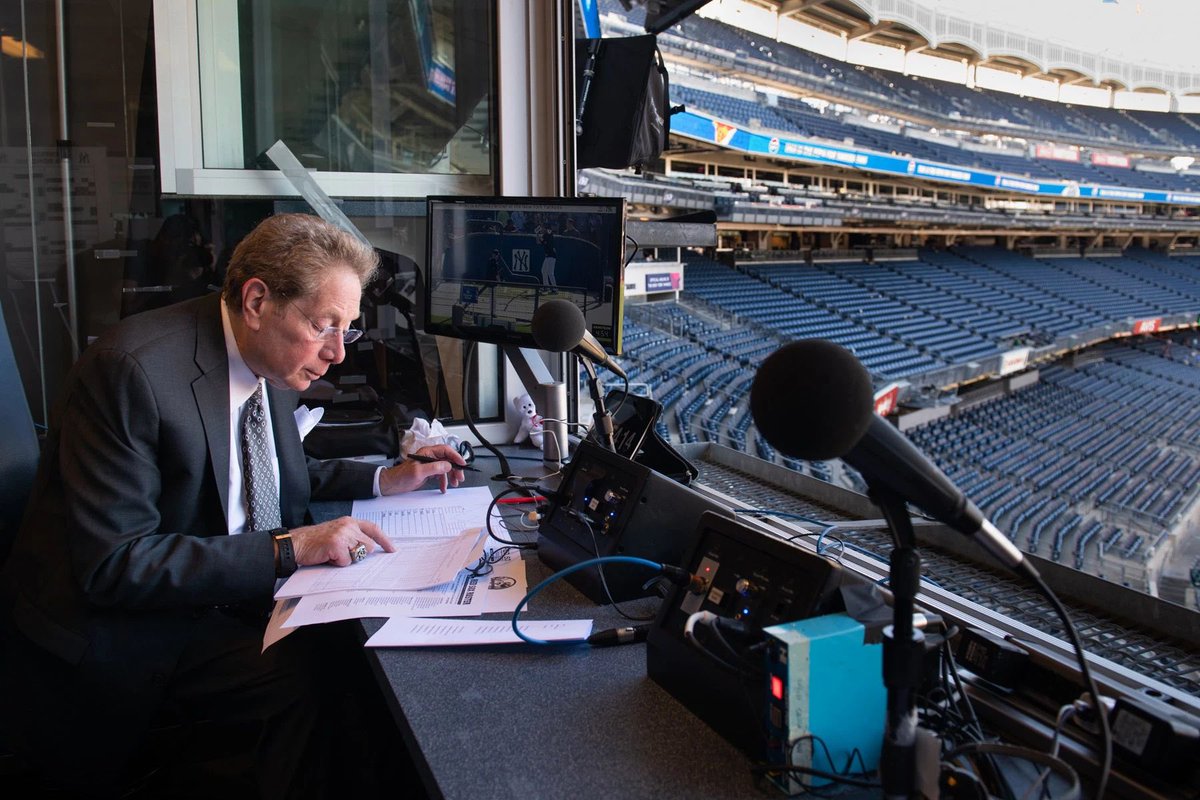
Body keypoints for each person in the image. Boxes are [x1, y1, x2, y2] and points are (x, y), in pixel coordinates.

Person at [0, 213, 467, 797]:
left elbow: (260, 473)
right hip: (126, 631)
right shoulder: (132, 372)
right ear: (256, 300)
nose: (337, 353)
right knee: (319, 679)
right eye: (325, 326)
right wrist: (287, 548)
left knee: (360, 654)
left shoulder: (264, 352)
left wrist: (385, 479)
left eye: (346, 329)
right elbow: (114, 565)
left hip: (214, 594)